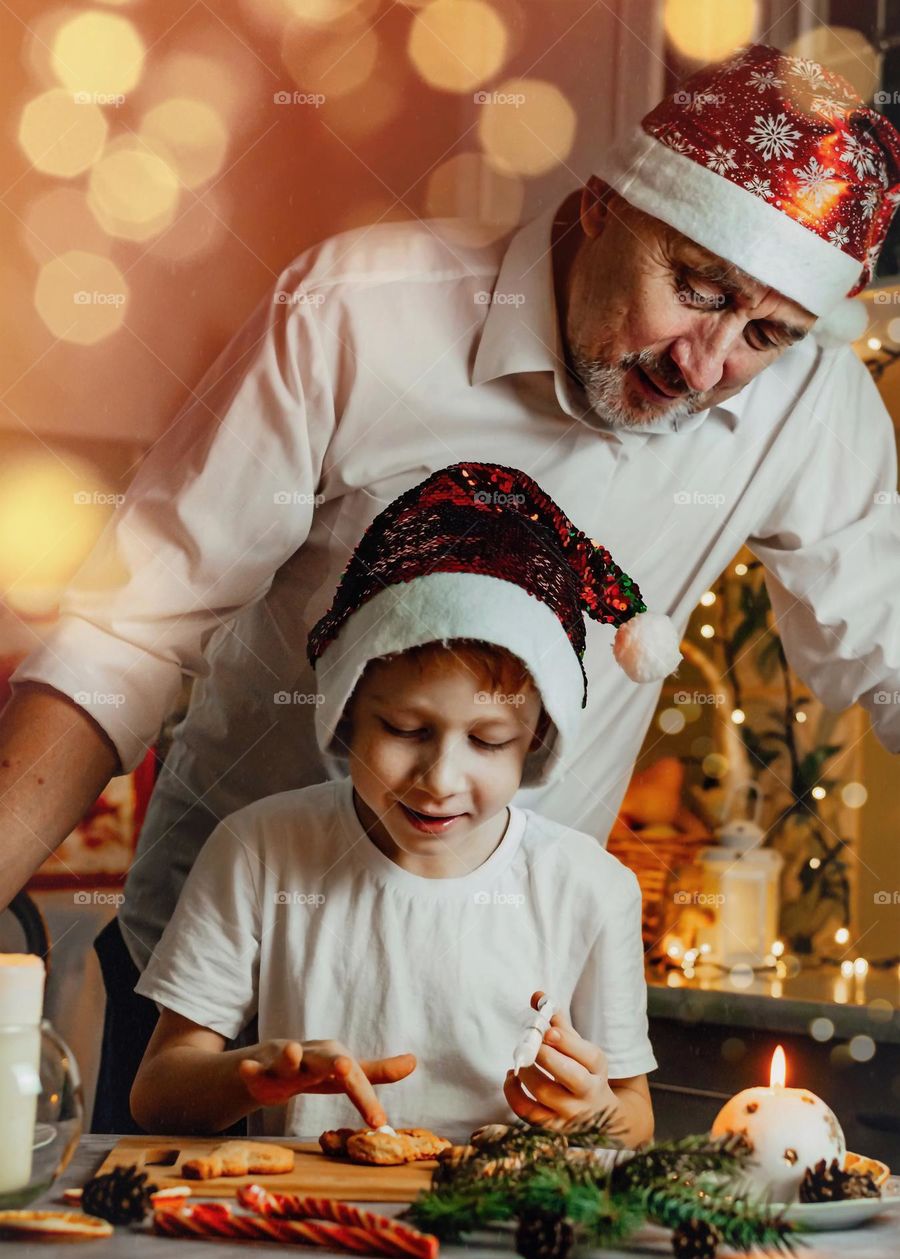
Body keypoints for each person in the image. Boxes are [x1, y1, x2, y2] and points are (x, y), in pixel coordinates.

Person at [2, 44, 899, 1130]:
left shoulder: (810, 407)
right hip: (229, 977)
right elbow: (130, 629)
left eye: (763, 332)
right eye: (696, 288)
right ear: (604, 203)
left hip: (508, 1015)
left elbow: (889, 655)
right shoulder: (359, 313)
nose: (704, 366)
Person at [129, 463, 671, 1143]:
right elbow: (158, 1095)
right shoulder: (260, 851)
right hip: (310, 1228)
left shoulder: (591, 890)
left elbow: (634, 1120)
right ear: (347, 711)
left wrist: (589, 1108)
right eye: (406, 731)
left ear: (535, 740)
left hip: (501, 1231)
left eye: (488, 740)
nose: (441, 777)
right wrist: (253, 1076)